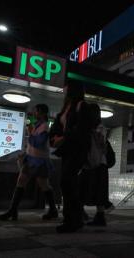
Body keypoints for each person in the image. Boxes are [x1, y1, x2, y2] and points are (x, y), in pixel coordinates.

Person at [0, 104, 58, 221]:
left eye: (35, 111)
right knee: (21, 181)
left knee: (44, 185)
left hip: (40, 161)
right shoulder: (37, 125)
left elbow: (39, 143)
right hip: (30, 159)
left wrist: (30, 134)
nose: (33, 113)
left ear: (41, 112)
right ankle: (12, 210)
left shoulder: (45, 126)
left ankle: (53, 210)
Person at [49, 84, 91, 233]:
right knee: (68, 183)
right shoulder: (65, 108)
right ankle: (75, 218)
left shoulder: (82, 105)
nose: (64, 91)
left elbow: (82, 129)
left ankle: (71, 219)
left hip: (77, 150)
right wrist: (54, 137)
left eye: (66, 88)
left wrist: (63, 138)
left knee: (66, 181)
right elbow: (56, 127)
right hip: (66, 151)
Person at [79, 104, 114, 226]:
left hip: (95, 163)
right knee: (97, 189)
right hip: (99, 163)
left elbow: (100, 144)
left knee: (87, 188)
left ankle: (96, 216)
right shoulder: (100, 128)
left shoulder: (98, 128)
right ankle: (99, 216)